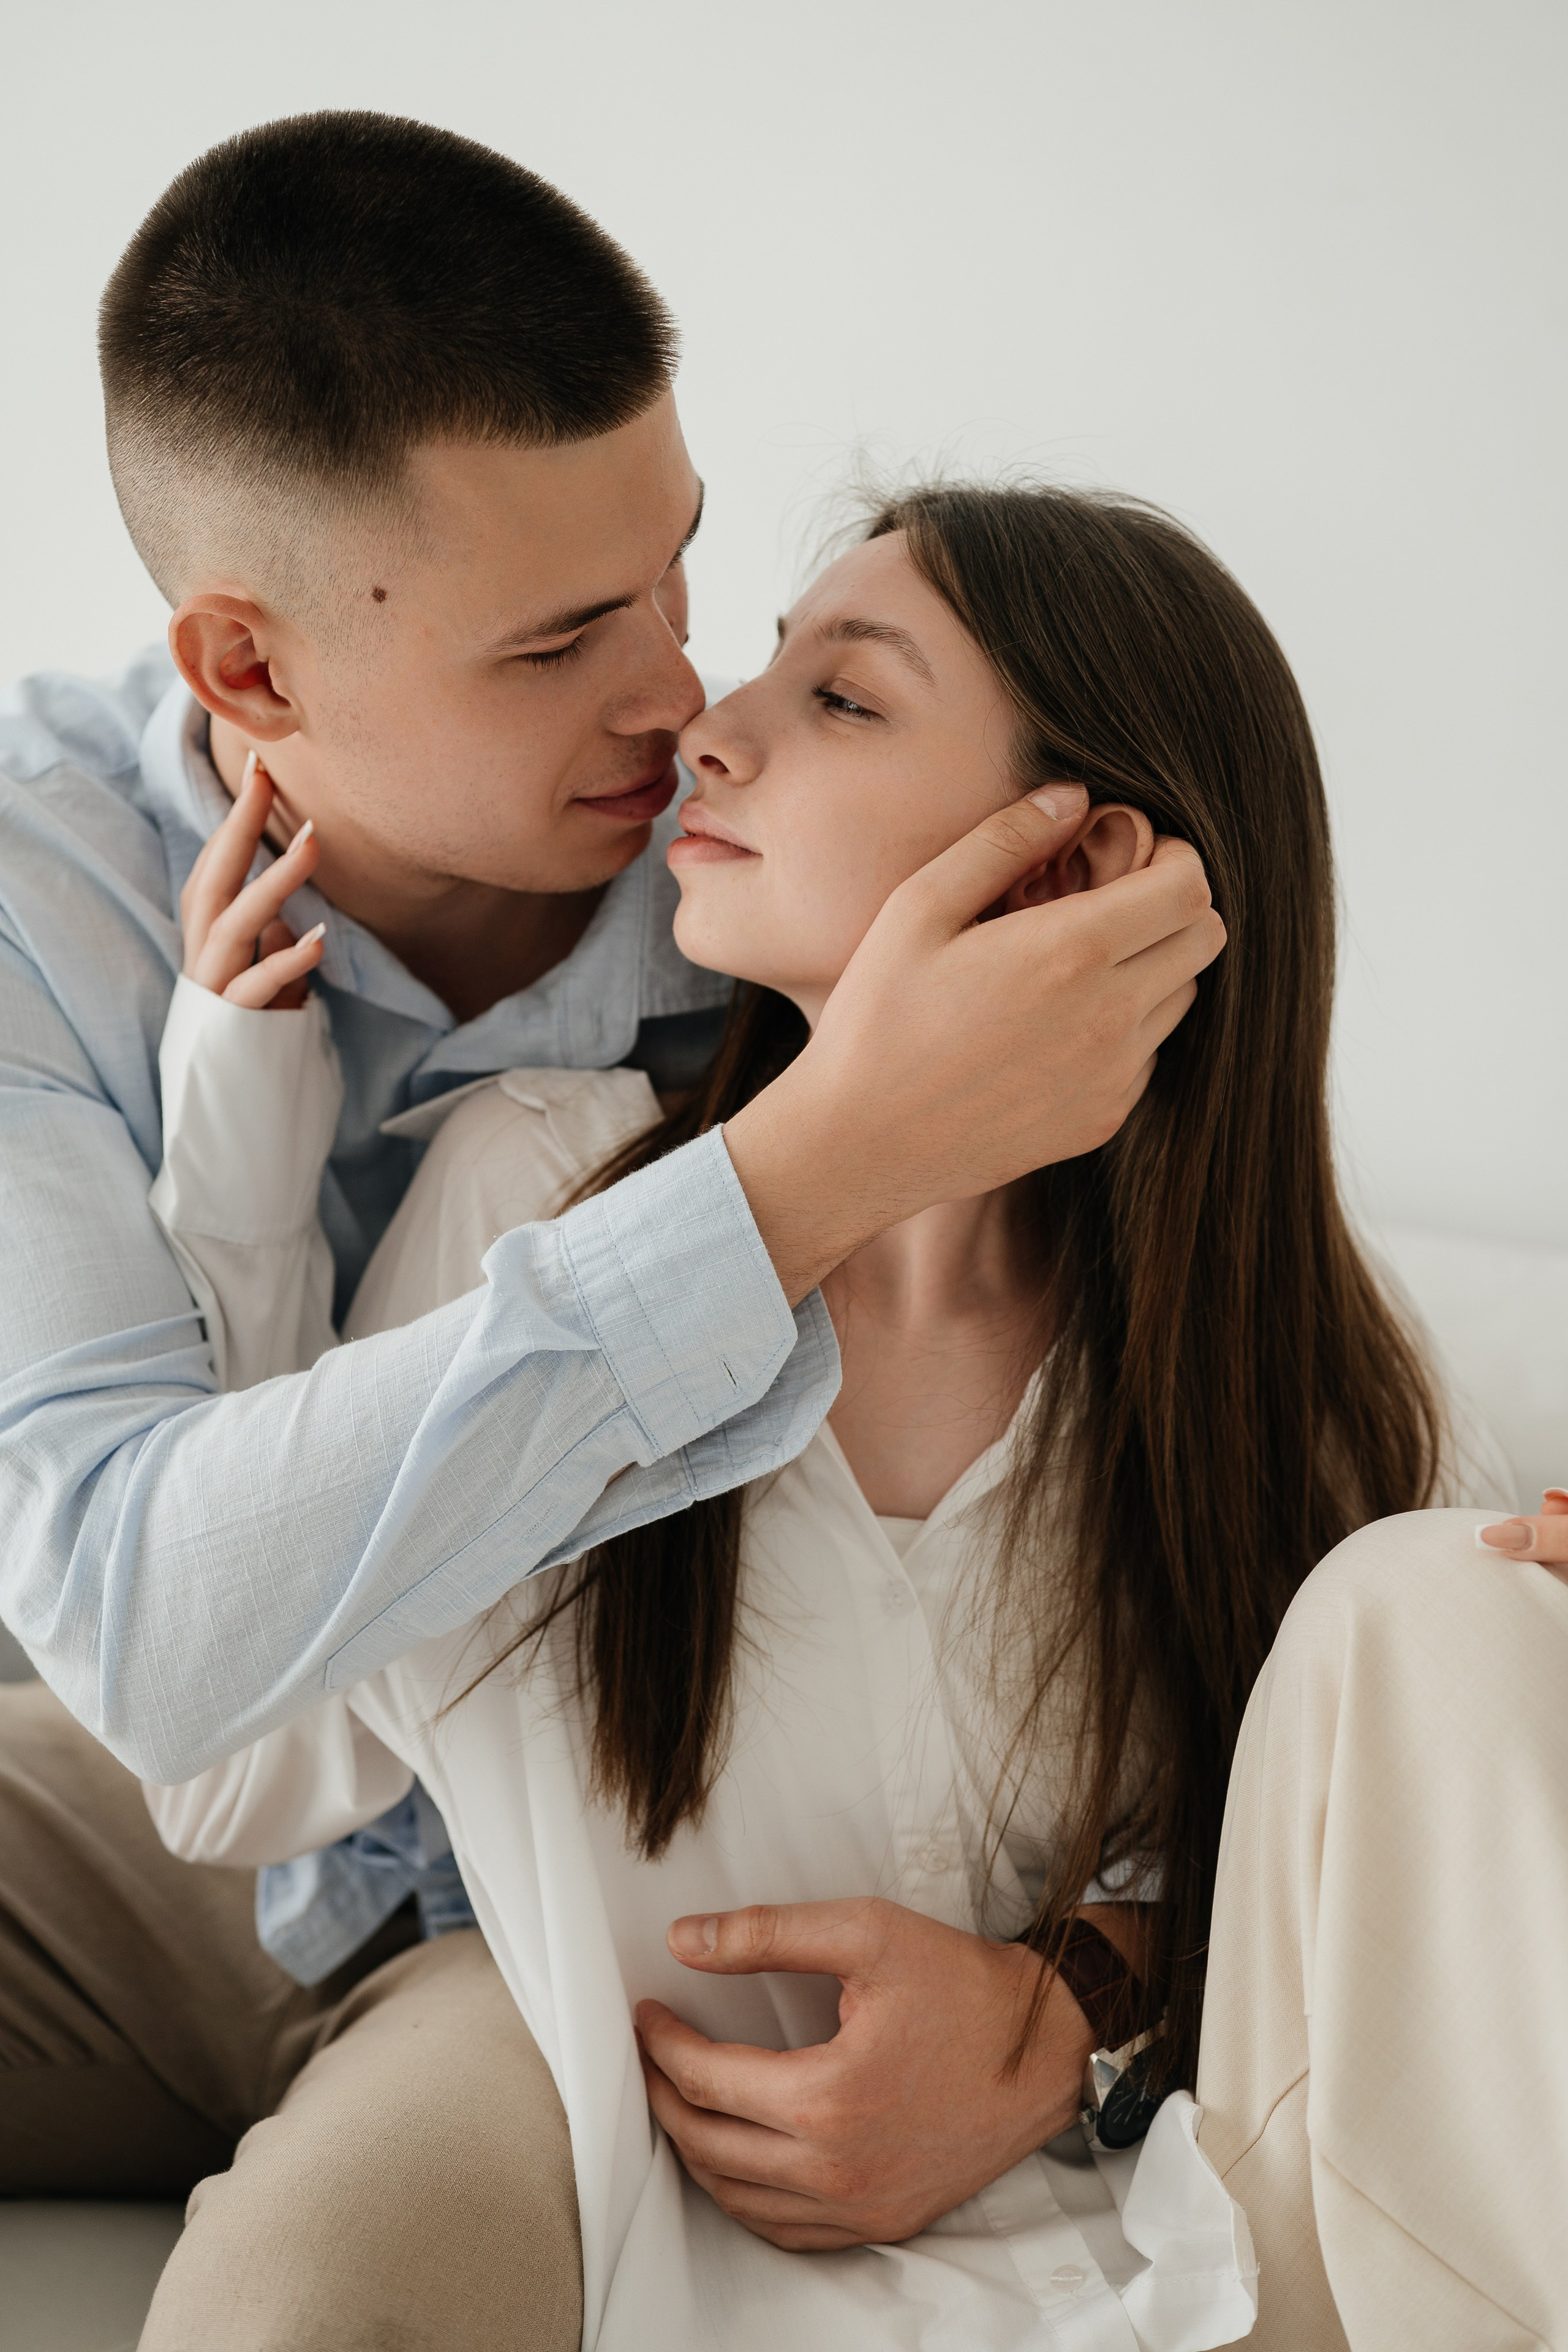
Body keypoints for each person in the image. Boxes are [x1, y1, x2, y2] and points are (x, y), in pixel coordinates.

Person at [0, 112, 1223, 2350]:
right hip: (186, 1777)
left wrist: (1087, 1995)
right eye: (566, 639)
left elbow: (1269, 1565)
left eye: (679, 572)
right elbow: (156, 1647)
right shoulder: (47, 905)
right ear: (250, 674)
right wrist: (815, 1162)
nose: (684, 701)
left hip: (537, 1906)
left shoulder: (781, 894)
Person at [142, 483, 1527, 2350]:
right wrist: (241, 1164)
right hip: (686, 2250)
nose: (710, 721)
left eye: (848, 700)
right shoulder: (542, 1199)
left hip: (1180, 2243)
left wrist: (1079, 2018)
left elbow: (1415, 1886)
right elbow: (235, 1765)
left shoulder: (1309, 1375)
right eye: (774, 659)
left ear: (1075, 861)